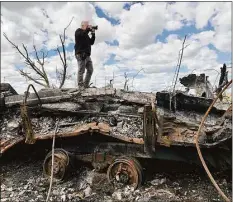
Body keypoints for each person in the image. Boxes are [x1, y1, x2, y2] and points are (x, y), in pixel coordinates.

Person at [74, 21, 95, 89]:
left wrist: (93, 33)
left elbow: (91, 42)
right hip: (80, 54)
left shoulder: (86, 35)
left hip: (87, 55)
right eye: (87, 25)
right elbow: (82, 34)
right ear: (82, 25)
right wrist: (88, 29)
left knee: (90, 70)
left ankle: (85, 85)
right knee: (81, 70)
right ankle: (80, 86)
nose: (88, 26)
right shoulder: (78, 31)